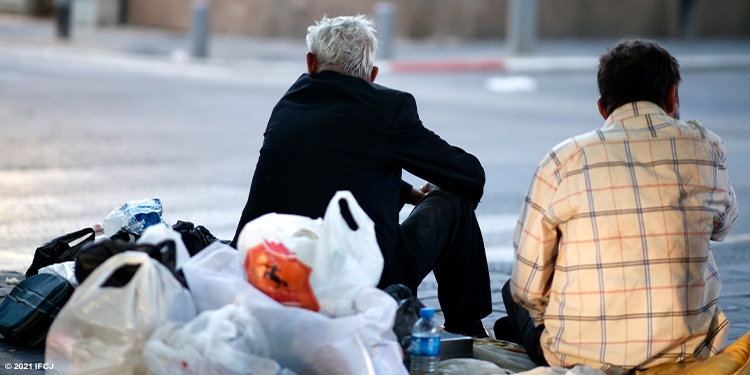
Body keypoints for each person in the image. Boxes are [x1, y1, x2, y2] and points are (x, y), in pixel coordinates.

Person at [231, 15, 492, 337]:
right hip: (359, 279)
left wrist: (409, 193)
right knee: (455, 200)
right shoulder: (389, 107)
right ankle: (467, 328)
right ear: (372, 74)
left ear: (311, 63)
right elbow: (469, 176)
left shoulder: (289, 103)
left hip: (267, 266)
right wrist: (435, 185)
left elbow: (334, 169)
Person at [497, 39, 739, 371]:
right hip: (685, 352)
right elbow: (723, 226)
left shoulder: (563, 159)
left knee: (512, 291)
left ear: (602, 107)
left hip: (577, 357)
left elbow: (528, 286)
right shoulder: (707, 146)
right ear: (672, 96)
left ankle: (526, 337)